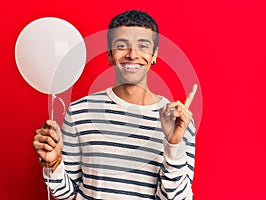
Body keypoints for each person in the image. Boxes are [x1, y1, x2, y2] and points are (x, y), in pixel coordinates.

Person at [33, 10, 196, 200]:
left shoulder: (179, 122)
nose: (132, 54)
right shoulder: (79, 113)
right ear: (110, 54)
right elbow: (68, 194)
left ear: (154, 55)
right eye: (122, 45)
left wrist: (173, 144)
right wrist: (53, 163)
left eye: (143, 46)